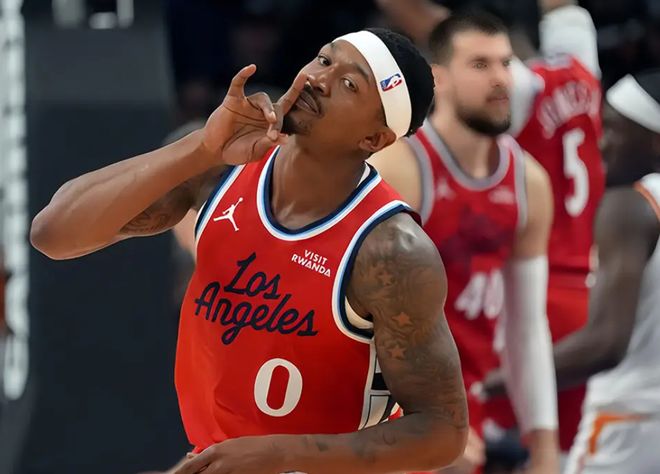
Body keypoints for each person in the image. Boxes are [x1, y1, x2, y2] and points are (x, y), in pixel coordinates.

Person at [30, 28, 469, 473]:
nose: (318, 80)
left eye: (349, 83)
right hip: (216, 456)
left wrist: (277, 454)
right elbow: (53, 234)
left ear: (374, 140)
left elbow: (442, 432)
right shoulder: (221, 170)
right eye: (323, 60)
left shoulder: (390, 250)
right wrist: (202, 148)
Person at [369, 12, 558, 474]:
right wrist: (416, 415)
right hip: (389, 409)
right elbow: (361, 316)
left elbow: (526, 326)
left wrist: (544, 442)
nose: (500, 79)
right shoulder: (398, 167)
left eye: (505, 63)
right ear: (439, 77)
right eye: (479, 64)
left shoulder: (529, 182)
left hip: (466, 407)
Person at [480, 0, 605, 459]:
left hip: (531, 292)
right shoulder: (584, 73)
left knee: (494, 448)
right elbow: (565, 11)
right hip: (589, 289)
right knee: (567, 453)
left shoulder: (519, 88)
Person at [557, 71, 660, 474]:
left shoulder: (631, 205)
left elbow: (605, 343)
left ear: (654, 141)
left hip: (630, 424)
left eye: (615, 129)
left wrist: (499, 382)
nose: (602, 142)